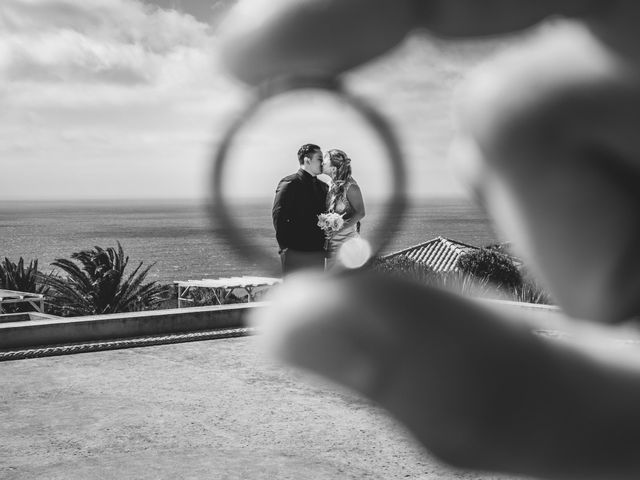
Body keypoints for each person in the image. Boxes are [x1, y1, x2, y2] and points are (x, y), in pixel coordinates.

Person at [220, 1, 640, 478]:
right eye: (324, 161)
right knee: (320, 302)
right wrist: (314, 233)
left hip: (334, 245)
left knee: (328, 303)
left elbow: (356, 214)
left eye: (330, 162)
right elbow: (288, 218)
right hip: (315, 248)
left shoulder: (337, 188)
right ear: (312, 161)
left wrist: (335, 228)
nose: (328, 167)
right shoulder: (305, 186)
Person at [273, 143, 329, 275]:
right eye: (320, 159)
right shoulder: (290, 183)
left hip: (317, 253)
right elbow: (278, 217)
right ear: (307, 160)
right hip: (294, 253)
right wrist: (285, 248)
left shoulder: (323, 187)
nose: (323, 163)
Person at [321, 149, 365, 269]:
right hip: (331, 244)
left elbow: (361, 213)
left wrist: (339, 228)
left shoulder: (351, 187)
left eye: (325, 160)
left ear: (333, 168)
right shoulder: (330, 184)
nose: (322, 162)